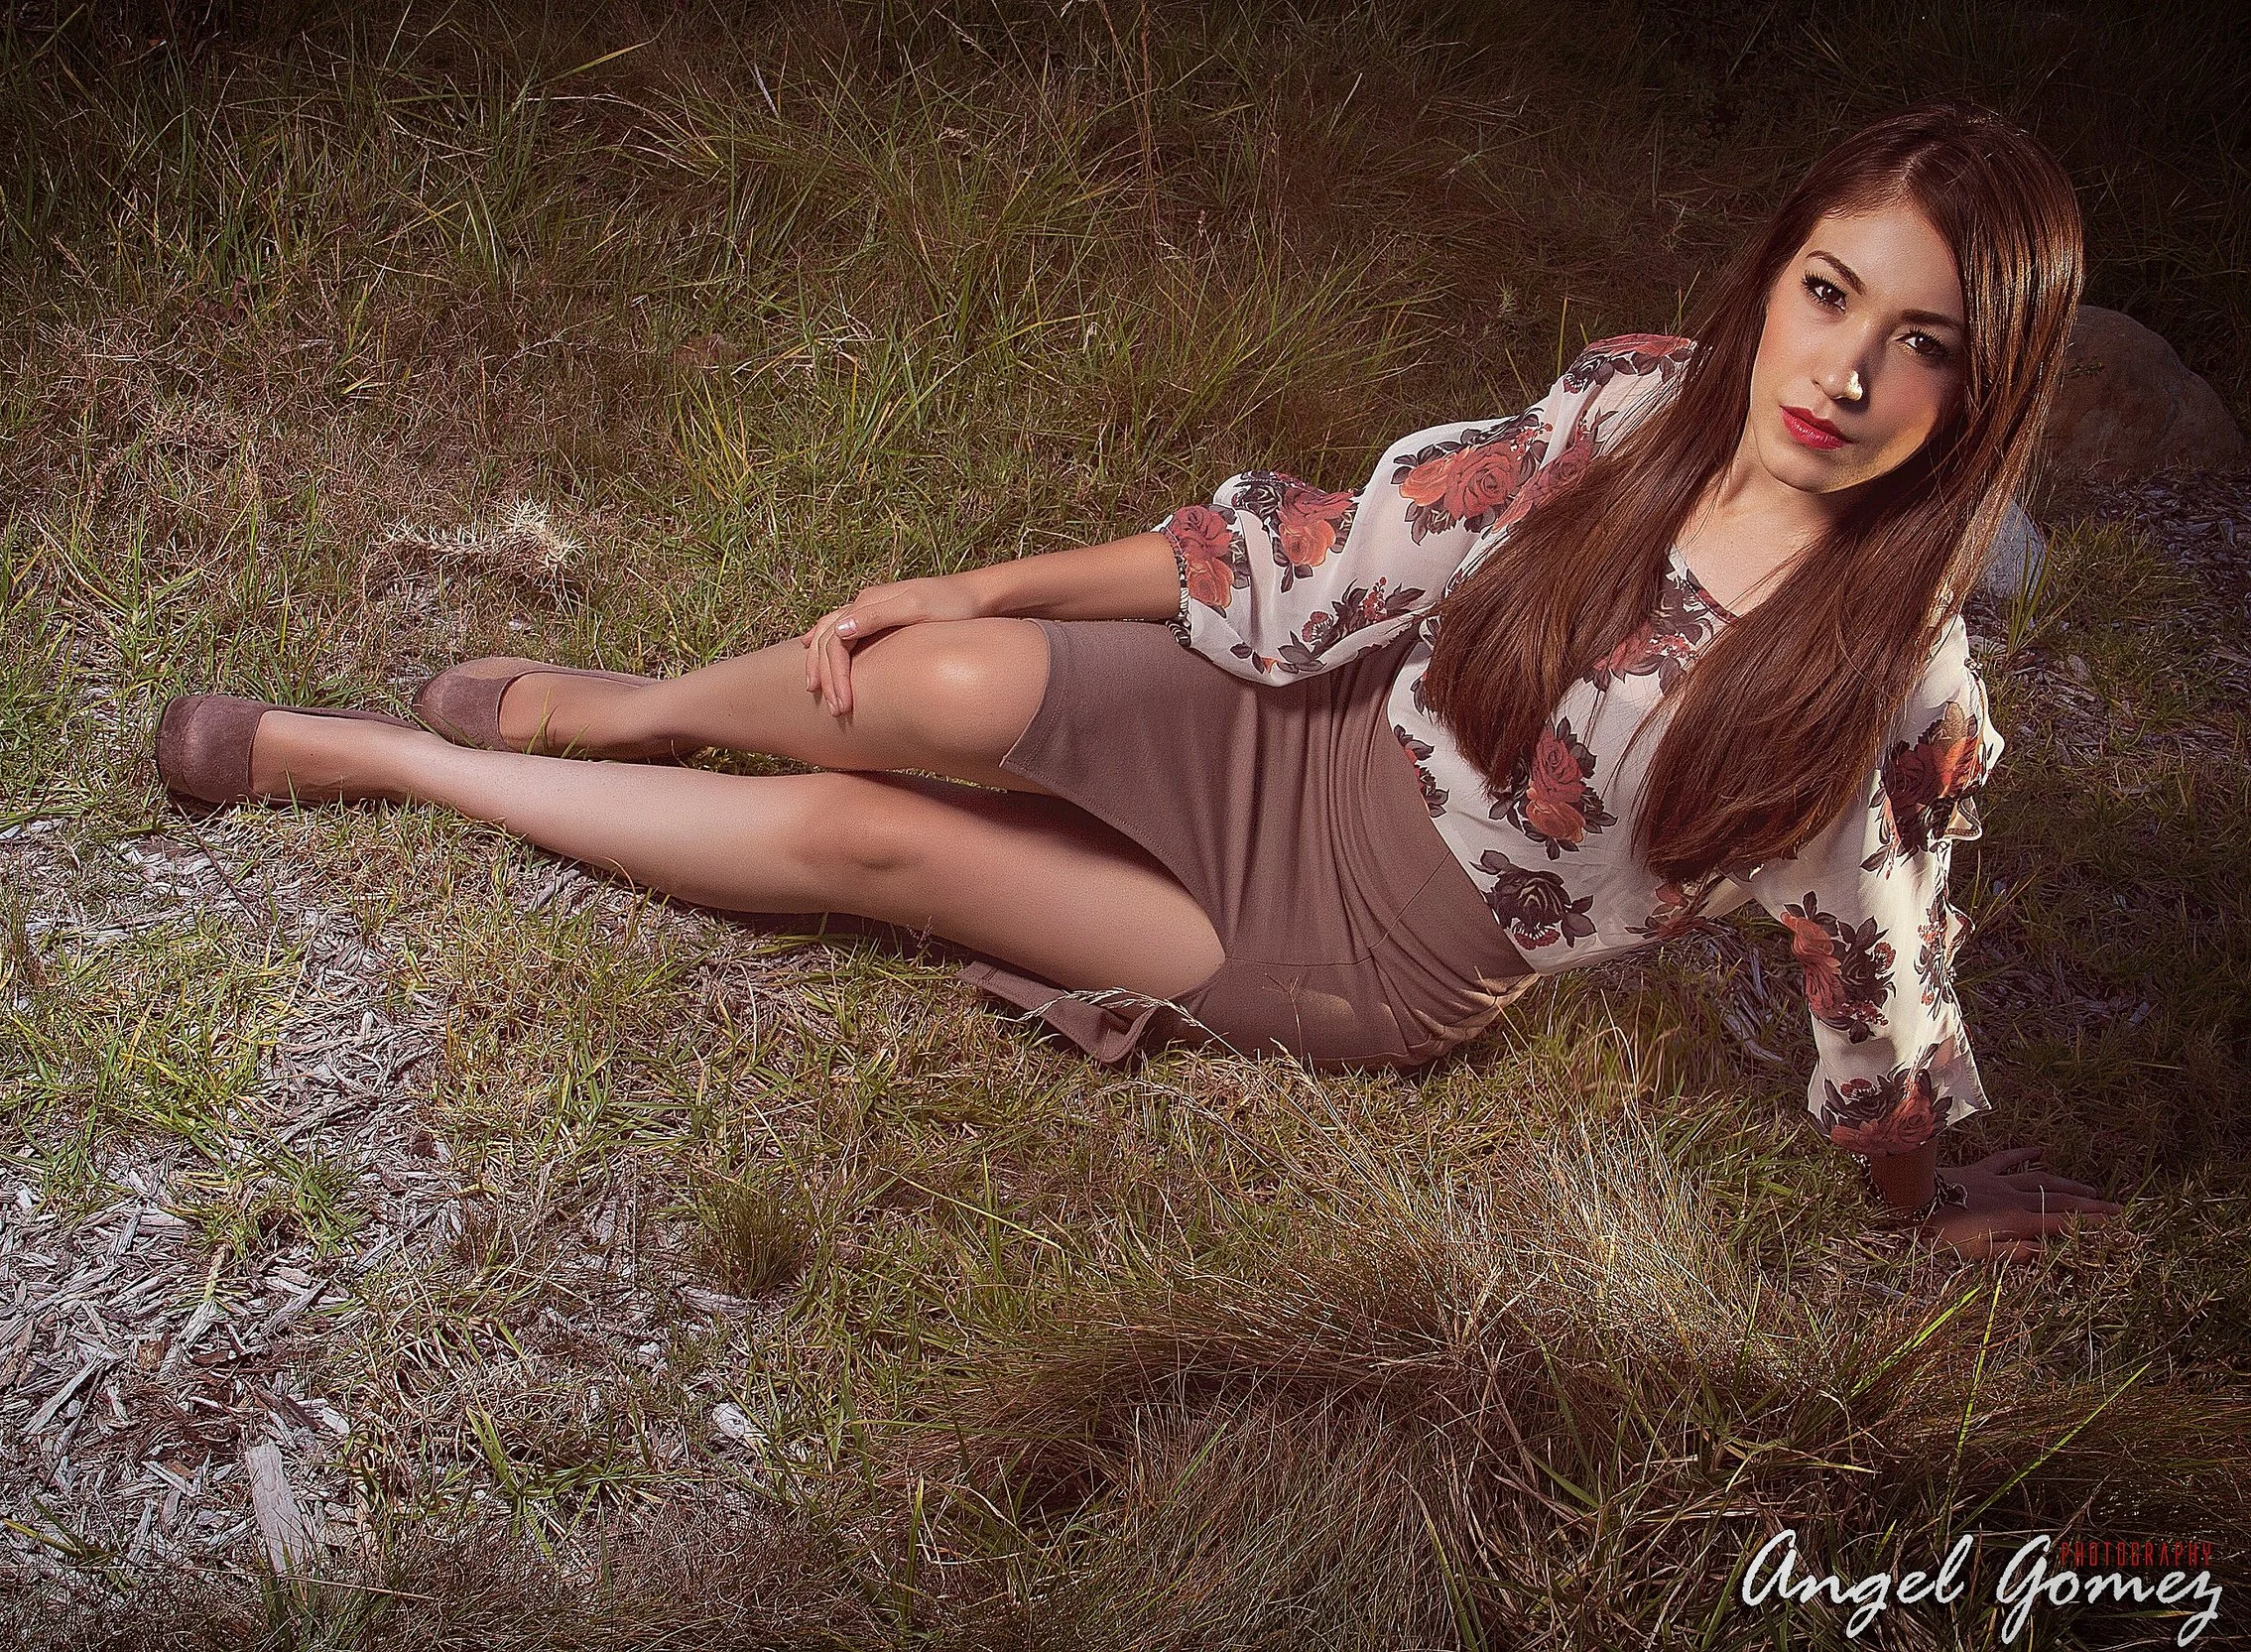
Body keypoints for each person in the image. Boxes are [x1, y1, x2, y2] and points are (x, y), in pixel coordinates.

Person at [154, 102, 2124, 1264]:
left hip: (1371, 953)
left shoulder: (1878, 681)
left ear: (1982, 389)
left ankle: (375, 765)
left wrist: (1917, 1171)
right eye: (1826, 293)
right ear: (1770, 274)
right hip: (1314, 738)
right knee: (919, 679)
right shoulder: (1630, 409)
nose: (1844, 376)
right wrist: (983, 571)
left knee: (866, 837)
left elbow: (1872, 958)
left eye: (1923, 346)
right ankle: (627, 703)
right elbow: (1343, 551)